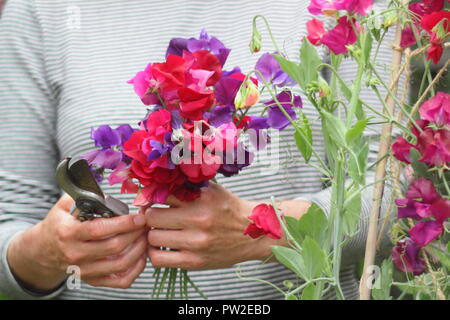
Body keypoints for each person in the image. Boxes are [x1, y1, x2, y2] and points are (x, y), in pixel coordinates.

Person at [0, 0, 394, 300]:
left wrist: (261, 230)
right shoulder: (42, 10)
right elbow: (10, 224)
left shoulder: (341, 8)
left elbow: (388, 200)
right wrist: (49, 253)